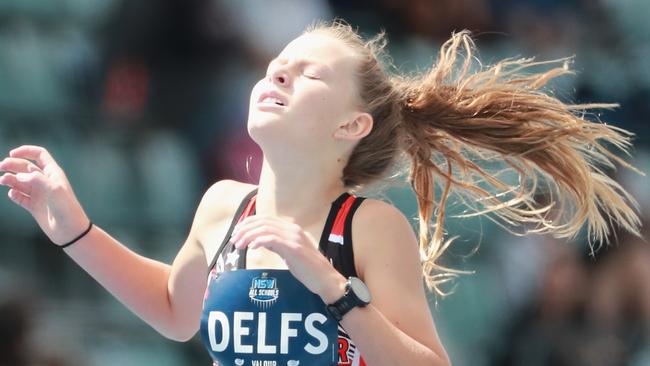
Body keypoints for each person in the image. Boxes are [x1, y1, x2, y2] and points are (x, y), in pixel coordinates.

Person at [0, 18, 642, 366]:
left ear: (350, 125)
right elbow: (174, 310)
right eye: (277, 64)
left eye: (306, 74)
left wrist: (333, 288)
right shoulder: (225, 204)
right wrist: (73, 230)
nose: (277, 71)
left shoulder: (366, 226)